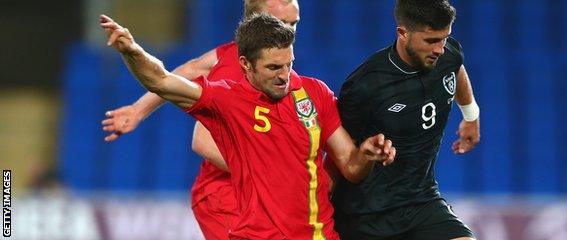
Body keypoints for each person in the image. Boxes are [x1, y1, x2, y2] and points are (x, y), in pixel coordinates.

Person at [100, 13, 396, 240]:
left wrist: (366, 155)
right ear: (245, 65)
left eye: (288, 64)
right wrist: (132, 51)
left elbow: (351, 167)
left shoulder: (314, 93)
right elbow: (162, 80)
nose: (285, 76)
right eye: (273, 67)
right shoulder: (228, 100)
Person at [100, 1, 300, 239]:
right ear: (255, 22)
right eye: (280, 22)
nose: (289, 30)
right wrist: (272, 173)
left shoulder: (238, 55)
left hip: (244, 195)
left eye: (293, 23)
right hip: (226, 196)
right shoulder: (240, 69)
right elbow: (202, 141)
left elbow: (190, 69)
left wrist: (138, 109)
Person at [331, 0, 480, 239]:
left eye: (444, 38)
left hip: (422, 201)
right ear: (402, 33)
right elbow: (341, 157)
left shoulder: (447, 54)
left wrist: (471, 115)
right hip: (366, 215)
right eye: (431, 40)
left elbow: (456, 67)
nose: (439, 49)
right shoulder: (366, 85)